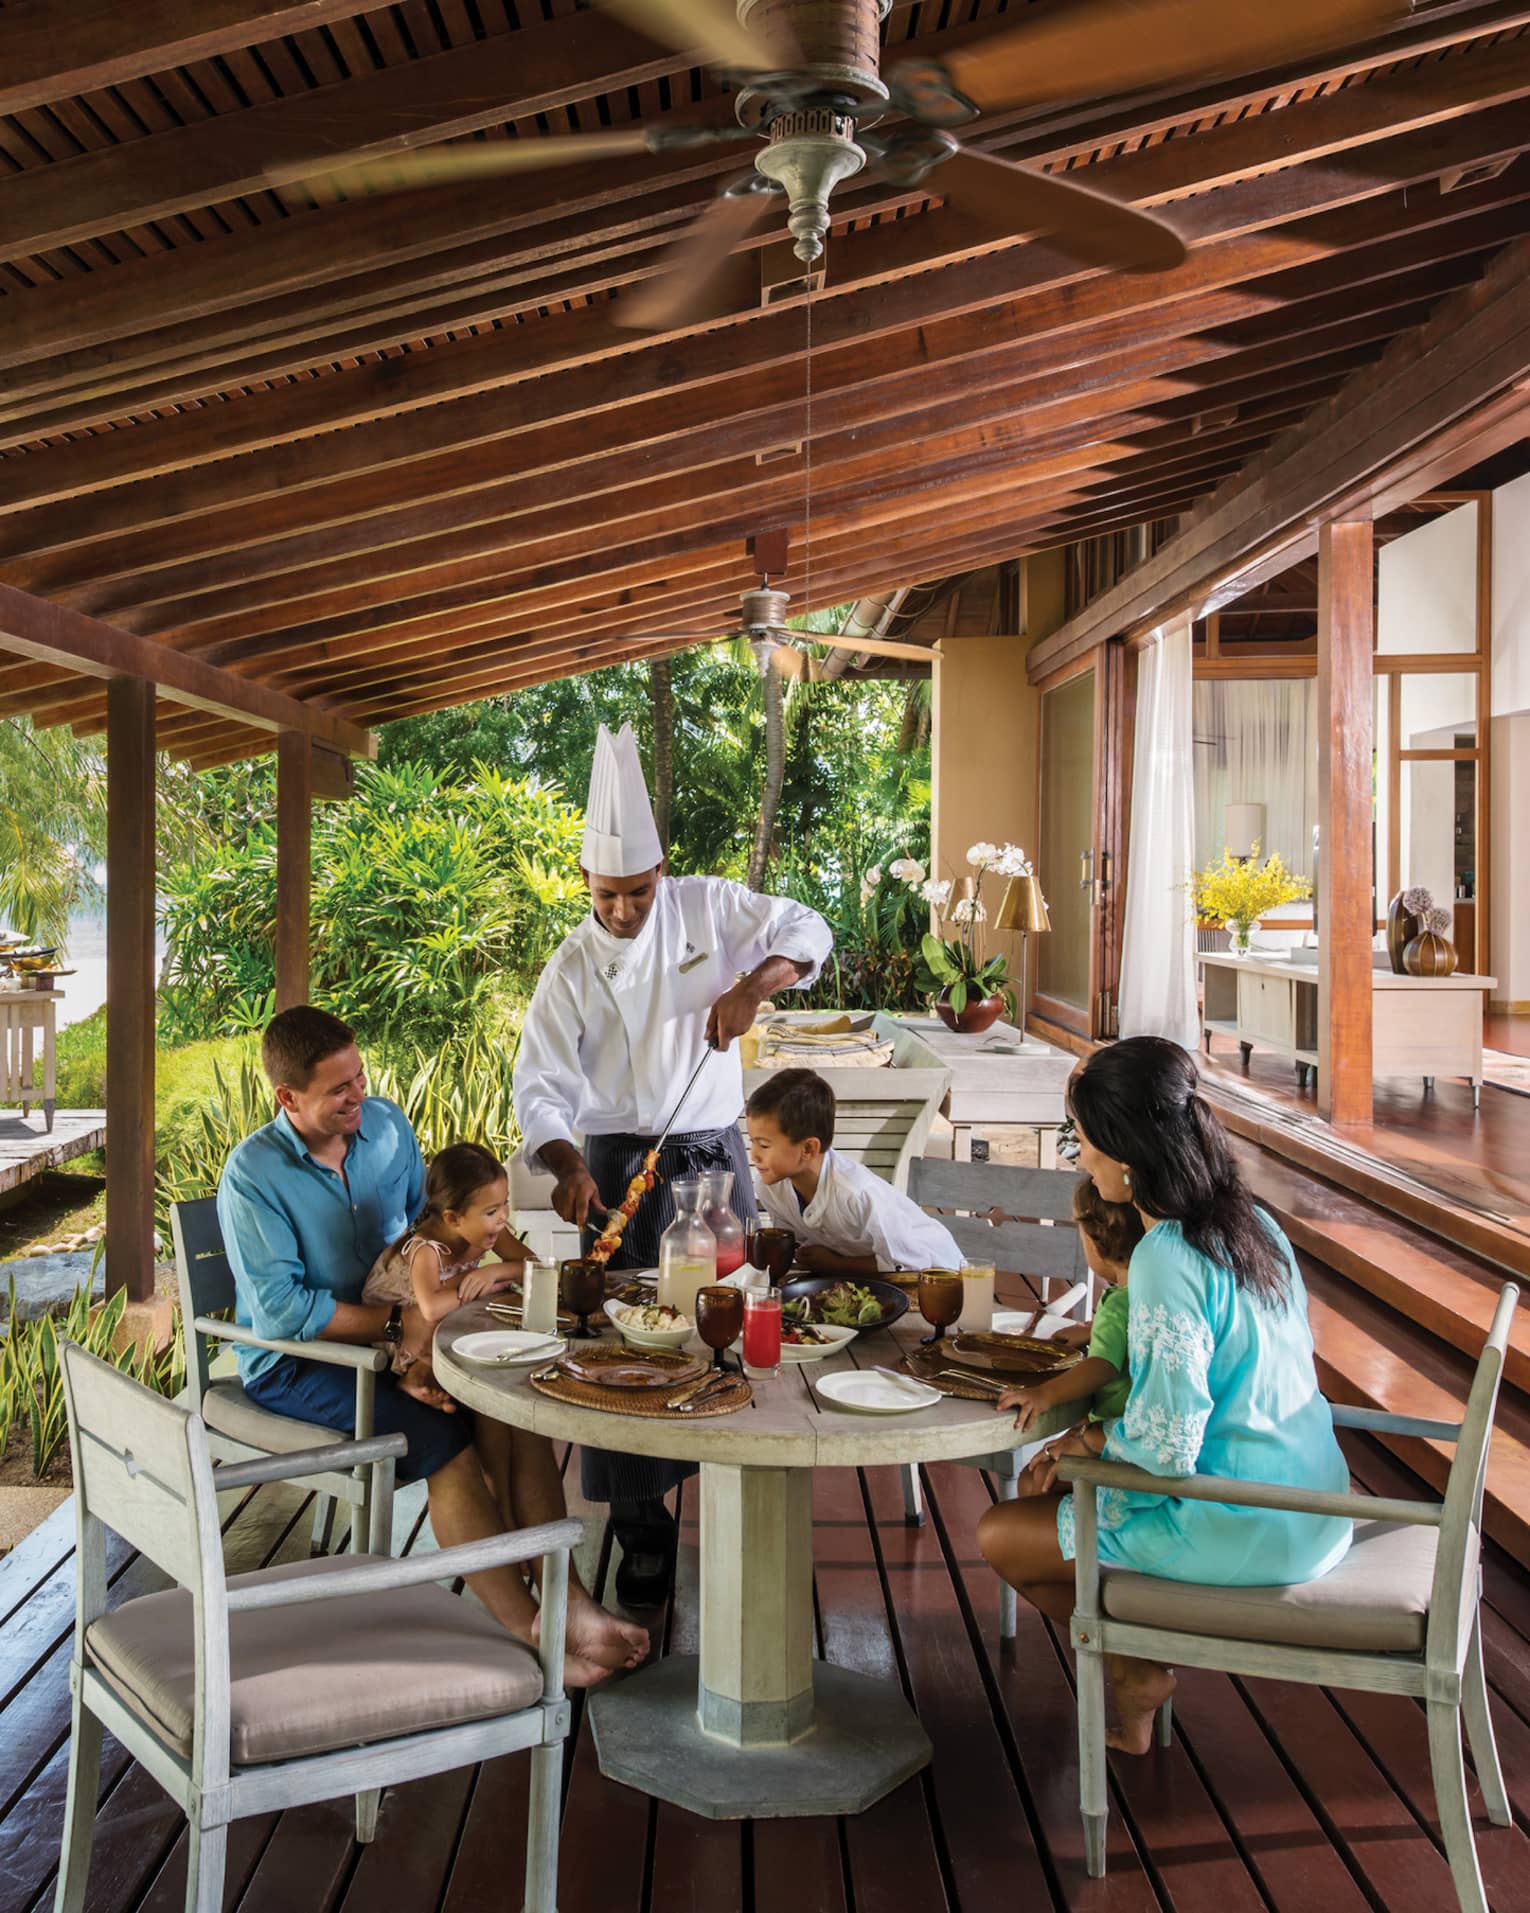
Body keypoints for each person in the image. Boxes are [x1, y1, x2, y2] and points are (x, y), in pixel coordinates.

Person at [218, 1005, 649, 1687]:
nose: (359, 1095)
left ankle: (570, 1603)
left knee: (515, 1412)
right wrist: (402, 1337)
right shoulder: (253, 1175)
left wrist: (506, 1261)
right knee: (447, 1444)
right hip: (301, 1362)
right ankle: (531, 1627)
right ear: (287, 1097)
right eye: (338, 1090)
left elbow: (436, 1226)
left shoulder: (386, 1126)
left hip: (410, 1333)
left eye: (359, 1076)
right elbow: (281, 1311)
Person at [513, 721, 832, 1603]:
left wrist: (749, 987)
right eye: (607, 895)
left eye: (638, 893)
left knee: (722, 1324)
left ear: (662, 873)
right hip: (617, 1162)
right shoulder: (571, 966)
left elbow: (811, 928)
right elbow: (537, 1086)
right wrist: (568, 1164)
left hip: (715, 1154)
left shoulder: (704, 906)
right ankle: (642, 1523)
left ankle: (737, 1498)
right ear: (585, 881)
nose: (623, 911)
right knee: (625, 1340)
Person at [976, 1036, 1351, 1754]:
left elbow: (1166, 1448)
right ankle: (1136, 1668)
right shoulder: (1254, 1223)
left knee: (1001, 1532)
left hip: (1245, 1522)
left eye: (1082, 1143)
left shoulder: (1165, 1258)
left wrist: (1081, 1447)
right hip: (1314, 1500)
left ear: (1124, 1158)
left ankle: (1136, 1668)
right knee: (1048, 1499)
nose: (1079, 1159)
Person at [1001, 1177, 1142, 1495]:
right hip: (1123, 1435)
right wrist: (1092, 1329)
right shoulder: (1140, 1294)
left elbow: (1101, 1366)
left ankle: (1051, 1542)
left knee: (1033, 1480)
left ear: (1098, 1242)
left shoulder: (1119, 1304)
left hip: (1117, 1447)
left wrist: (1045, 1394)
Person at [744, 1067, 962, 1274]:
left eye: (764, 1145)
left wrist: (837, 1264)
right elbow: (801, 1246)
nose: (754, 1155)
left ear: (808, 1148)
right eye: (752, 1141)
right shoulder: (769, 1188)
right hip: (867, 1278)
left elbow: (909, 1264)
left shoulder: (856, 1194)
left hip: (937, 1274)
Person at [362, 1141, 519, 1369]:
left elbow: (535, 1266)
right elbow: (431, 1309)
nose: (503, 1216)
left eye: (505, 1203)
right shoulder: (426, 1249)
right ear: (453, 1219)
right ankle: (416, 1375)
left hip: (442, 1305)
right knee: (445, 1325)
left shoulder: (489, 1229)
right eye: (492, 1211)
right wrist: (479, 1284)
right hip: (398, 1326)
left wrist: (493, 1272)